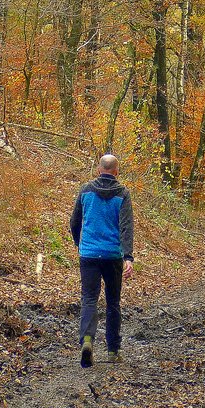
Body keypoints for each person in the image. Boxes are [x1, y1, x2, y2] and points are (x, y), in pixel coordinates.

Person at [70, 154, 135, 367]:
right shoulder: (123, 194)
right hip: (112, 255)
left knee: (89, 298)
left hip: (88, 253)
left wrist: (79, 243)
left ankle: (87, 341)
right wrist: (128, 256)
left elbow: (75, 221)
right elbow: (126, 227)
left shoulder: (85, 191)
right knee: (113, 302)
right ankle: (113, 350)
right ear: (116, 171)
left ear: (99, 169)